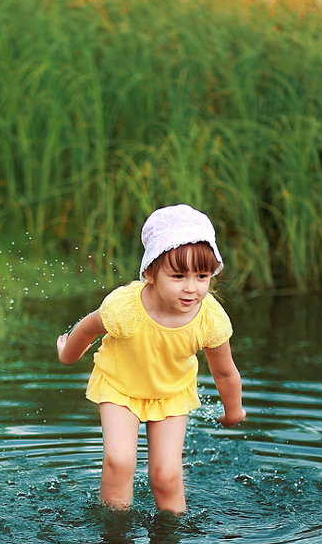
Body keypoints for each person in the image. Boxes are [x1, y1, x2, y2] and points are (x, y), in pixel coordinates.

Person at [56, 204, 245, 514]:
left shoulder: (210, 319)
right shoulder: (125, 309)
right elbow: (87, 328)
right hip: (120, 387)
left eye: (202, 276)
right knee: (119, 461)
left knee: (167, 476)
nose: (191, 288)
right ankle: (115, 533)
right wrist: (67, 355)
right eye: (178, 275)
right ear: (150, 273)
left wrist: (233, 412)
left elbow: (225, 373)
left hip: (170, 395)